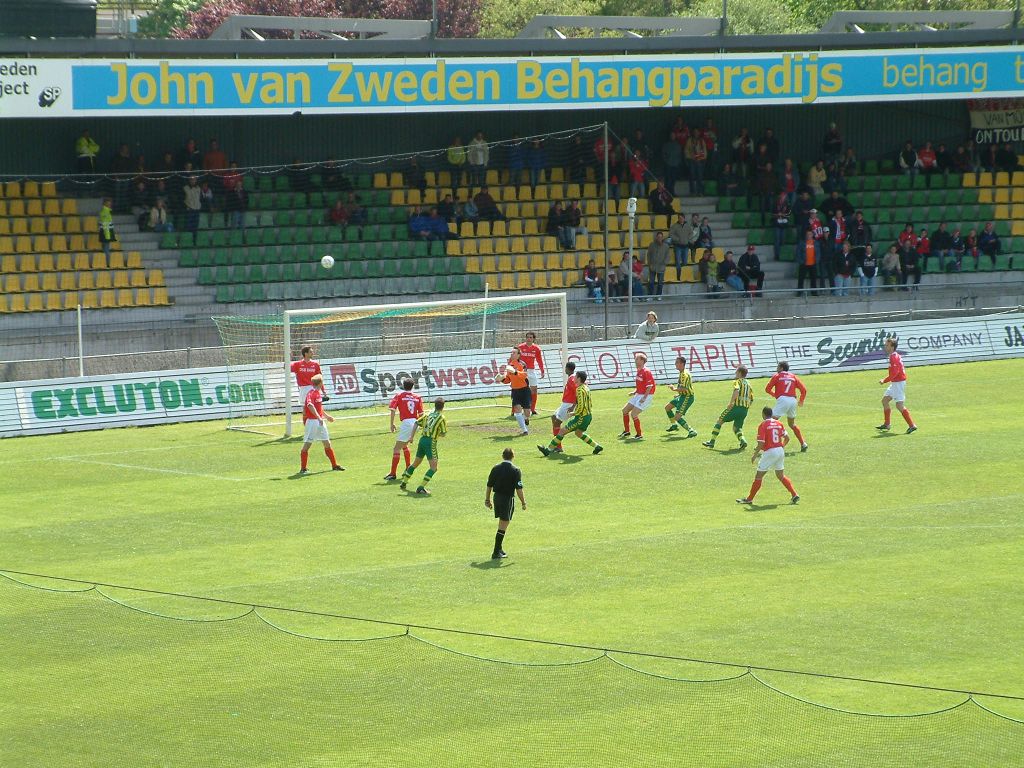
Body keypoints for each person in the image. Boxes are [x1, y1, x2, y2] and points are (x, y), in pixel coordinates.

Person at [736, 407, 800, 505]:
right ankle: (794, 494)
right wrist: (780, 447)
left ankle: (749, 499)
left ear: (763, 414)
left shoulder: (763, 425)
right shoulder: (779, 423)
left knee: (759, 476)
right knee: (780, 475)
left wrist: (754, 454)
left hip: (770, 452)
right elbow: (787, 438)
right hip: (780, 450)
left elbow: (761, 443)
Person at [539, 370, 602, 457]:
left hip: (581, 418)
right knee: (578, 433)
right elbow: (589, 403)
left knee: (562, 431)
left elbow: (581, 405)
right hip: (588, 416)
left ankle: (548, 450)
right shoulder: (586, 388)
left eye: (575, 377)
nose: (574, 378)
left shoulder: (579, 390)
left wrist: (573, 413)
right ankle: (597, 446)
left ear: (579, 378)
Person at [485, 448, 526, 560]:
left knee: (501, 523)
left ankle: (499, 549)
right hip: (507, 499)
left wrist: (487, 500)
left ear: (503, 456)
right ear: (513, 456)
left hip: (497, 497)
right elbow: (519, 488)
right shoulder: (516, 470)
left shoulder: (496, 468)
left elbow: (489, 485)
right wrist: (523, 502)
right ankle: (495, 552)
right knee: (503, 525)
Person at [400, 398, 447, 495]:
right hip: (430, 442)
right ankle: (421, 487)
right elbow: (443, 433)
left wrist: (411, 437)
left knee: (415, 463)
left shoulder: (428, 414)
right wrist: (436, 433)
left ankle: (404, 482)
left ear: (435, 405)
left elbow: (416, 422)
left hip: (422, 440)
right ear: (443, 407)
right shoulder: (441, 418)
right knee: (434, 467)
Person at [299, 374, 343, 474]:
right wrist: (318, 417)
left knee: (327, 443)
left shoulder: (318, 394)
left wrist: (327, 417)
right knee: (307, 445)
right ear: (320, 383)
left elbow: (319, 408)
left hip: (320, 421)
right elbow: (310, 405)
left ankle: (334, 465)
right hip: (312, 422)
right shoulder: (311, 393)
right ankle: (303, 468)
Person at [703, 366, 753, 450]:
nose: (735, 373)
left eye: (736, 372)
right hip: (745, 410)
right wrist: (746, 407)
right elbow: (751, 399)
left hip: (735, 408)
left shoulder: (737, 382)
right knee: (736, 427)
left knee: (720, 421)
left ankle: (711, 442)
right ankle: (743, 441)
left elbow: (736, 391)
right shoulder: (749, 384)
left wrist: (731, 402)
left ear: (740, 373)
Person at [385, 378, 423, 481]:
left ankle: (393, 473)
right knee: (404, 446)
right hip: (416, 423)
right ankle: (407, 469)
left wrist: (392, 423)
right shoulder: (418, 397)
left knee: (396, 449)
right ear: (412, 386)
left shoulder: (399, 395)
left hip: (406, 423)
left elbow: (392, 409)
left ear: (403, 385)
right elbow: (421, 414)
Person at [765, 361, 808, 451]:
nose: (776, 369)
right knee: (792, 424)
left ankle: (778, 440)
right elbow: (804, 390)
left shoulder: (777, 376)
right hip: (793, 400)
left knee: (770, 421)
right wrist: (801, 401)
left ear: (781, 368)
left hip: (783, 400)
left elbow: (767, 389)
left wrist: (775, 395)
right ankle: (803, 444)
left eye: (778, 367)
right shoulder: (793, 376)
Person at [877, 336, 917, 434]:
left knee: (899, 405)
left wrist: (884, 380)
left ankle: (912, 425)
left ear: (892, 346)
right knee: (885, 401)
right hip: (895, 382)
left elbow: (894, 373)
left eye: (887, 345)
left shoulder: (893, 357)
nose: (885, 347)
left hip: (898, 383)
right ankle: (887, 424)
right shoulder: (894, 355)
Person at [620, 351, 655, 440]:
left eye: (637, 359)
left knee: (634, 414)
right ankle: (627, 431)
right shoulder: (639, 371)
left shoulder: (646, 371)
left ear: (642, 360)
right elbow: (641, 385)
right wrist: (635, 391)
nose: (635, 361)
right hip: (639, 394)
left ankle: (639, 435)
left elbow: (650, 386)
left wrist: (644, 397)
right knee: (625, 410)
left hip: (646, 395)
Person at [664, 356, 697, 437]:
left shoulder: (684, 375)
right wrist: (678, 394)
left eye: (677, 362)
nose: (675, 364)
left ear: (682, 364)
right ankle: (674, 425)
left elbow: (684, 388)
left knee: (677, 417)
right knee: (667, 407)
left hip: (687, 397)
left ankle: (691, 431)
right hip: (682, 396)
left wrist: (674, 389)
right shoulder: (682, 372)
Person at [501, 348, 531, 435]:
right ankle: (524, 430)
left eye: (514, 353)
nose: (512, 354)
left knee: (527, 412)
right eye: (511, 353)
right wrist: (502, 379)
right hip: (515, 391)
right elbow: (508, 380)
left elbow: (524, 375)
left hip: (525, 390)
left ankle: (526, 418)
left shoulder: (522, 364)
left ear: (518, 355)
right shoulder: (509, 365)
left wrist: (515, 372)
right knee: (517, 410)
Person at [517, 332, 546, 415]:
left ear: (533, 339)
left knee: (534, 389)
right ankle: (514, 410)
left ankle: (532, 409)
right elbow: (515, 358)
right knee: (518, 390)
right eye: (527, 337)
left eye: (530, 337)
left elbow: (539, 360)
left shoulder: (536, 348)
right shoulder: (520, 347)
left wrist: (542, 370)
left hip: (531, 371)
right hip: (521, 371)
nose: (529, 339)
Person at [550, 360, 577, 440]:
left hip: (568, 404)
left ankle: (557, 445)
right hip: (565, 403)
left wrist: (573, 406)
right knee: (554, 417)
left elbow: (577, 391)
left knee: (557, 423)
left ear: (567, 369)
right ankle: (557, 445)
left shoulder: (572, 378)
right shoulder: (572, 377)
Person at [645, 232, 670, 298]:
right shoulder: (652, 245)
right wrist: (649, 264)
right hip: (652, 266)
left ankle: (659, 295)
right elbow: (649, 255)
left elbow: (667, 256)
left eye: (661, 237)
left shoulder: (666, 246)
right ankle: (650, 296)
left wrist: (664, 263)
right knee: (651, 282)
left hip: (661, 267)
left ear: (662, 238)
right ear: (656, 237)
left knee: (660, 282)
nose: (659, 238)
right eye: (658, 237)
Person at [796, 230, 820, 296]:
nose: (809, 235)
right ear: (806, 235)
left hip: (813, 264)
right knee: (801, 279)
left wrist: (816, 261)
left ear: (812, 235)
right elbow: (798, 253)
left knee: (813, 279)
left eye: (810, 234)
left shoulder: (816, 243)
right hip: (804, 264)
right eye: (807, 234)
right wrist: (801, 261)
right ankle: (799, 292)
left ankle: (814, 292)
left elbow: (818, 253)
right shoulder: (802, 243)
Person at [668, 212, 692, 278]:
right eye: (679, 218)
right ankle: (678, 275)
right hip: (678, 246)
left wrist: (688, 239)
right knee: (678, 262)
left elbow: (691, 233)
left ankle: (683, 275)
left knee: (685, 262)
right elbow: (670, 234)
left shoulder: (688, 225)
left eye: (682, 218)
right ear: (678, 219)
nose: (681, 219)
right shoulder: (674, 226)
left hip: (686, 246)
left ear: (684, 218)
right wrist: (677, 239)